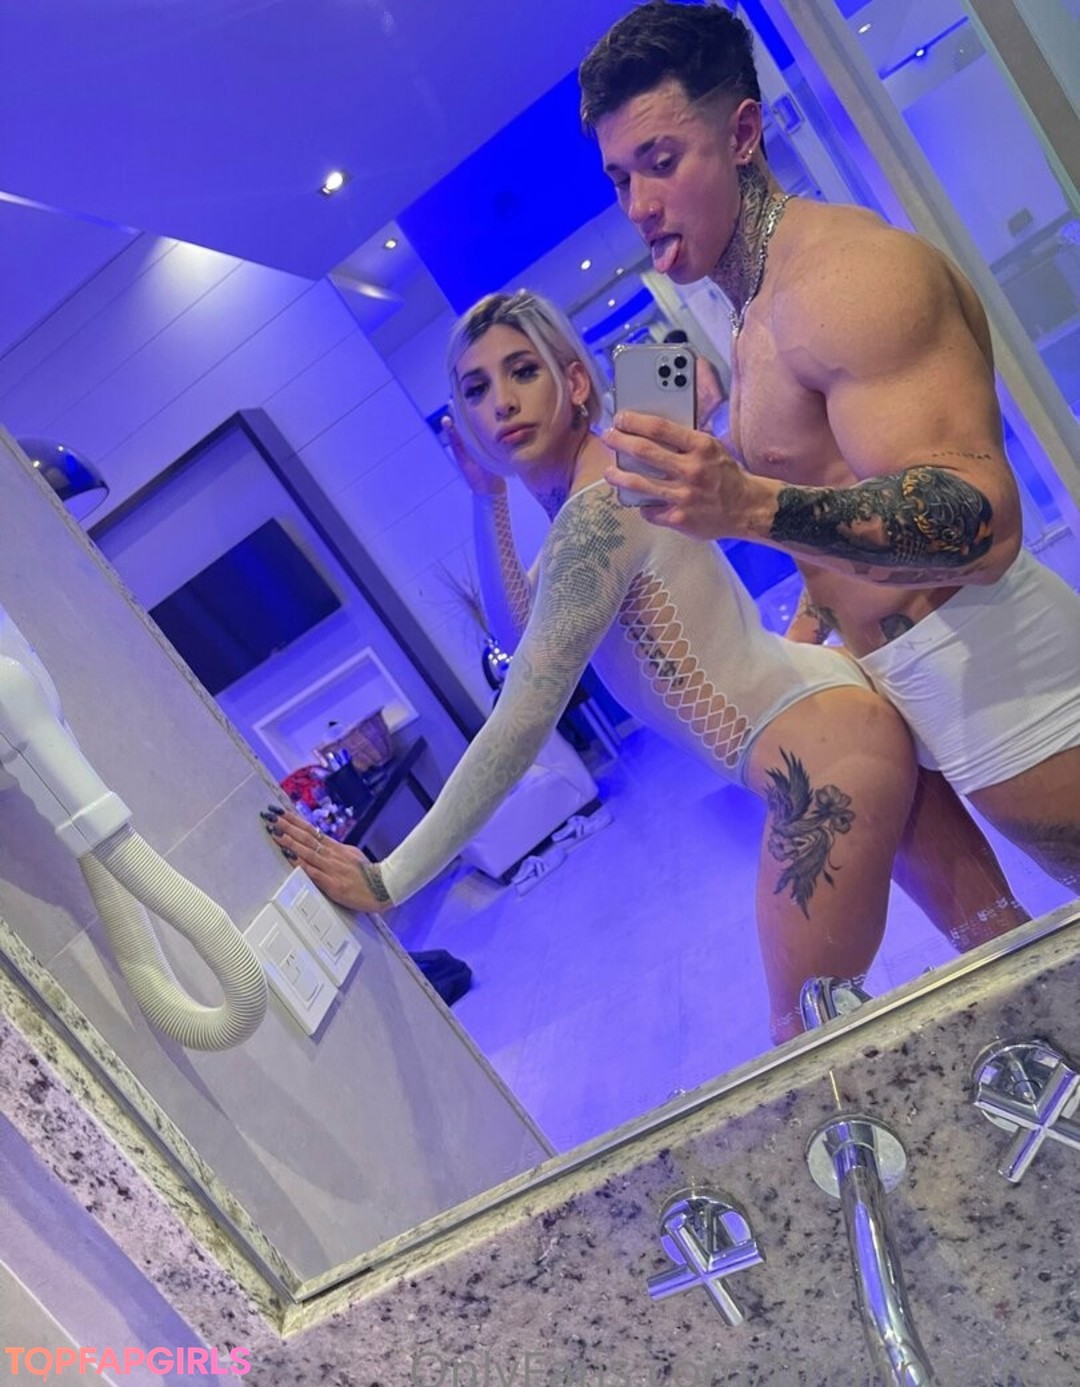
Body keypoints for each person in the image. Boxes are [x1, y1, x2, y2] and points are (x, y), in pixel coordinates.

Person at [267, 290, 1025, 1042]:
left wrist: (390, 876)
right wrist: (486, 493)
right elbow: (517, 628)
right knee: (1007, 953)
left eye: (522, 371)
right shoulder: (609, 491)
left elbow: (521, 717)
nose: (502, 402)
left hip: (823, 764)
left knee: (810, 1042)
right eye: (476, 388)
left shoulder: (600, 509)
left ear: (573, 381)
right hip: (838, 724)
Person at [579, 1, 1080, 895]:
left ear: (742, 134)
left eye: (661, 162)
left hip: (1011, 677)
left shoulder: (847, 280)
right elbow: (838, 488)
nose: (639, 206)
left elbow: (985, 523)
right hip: (912, 682)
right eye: (620, 179)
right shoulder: (753, 312)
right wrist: (809, 635)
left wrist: (748, 505)